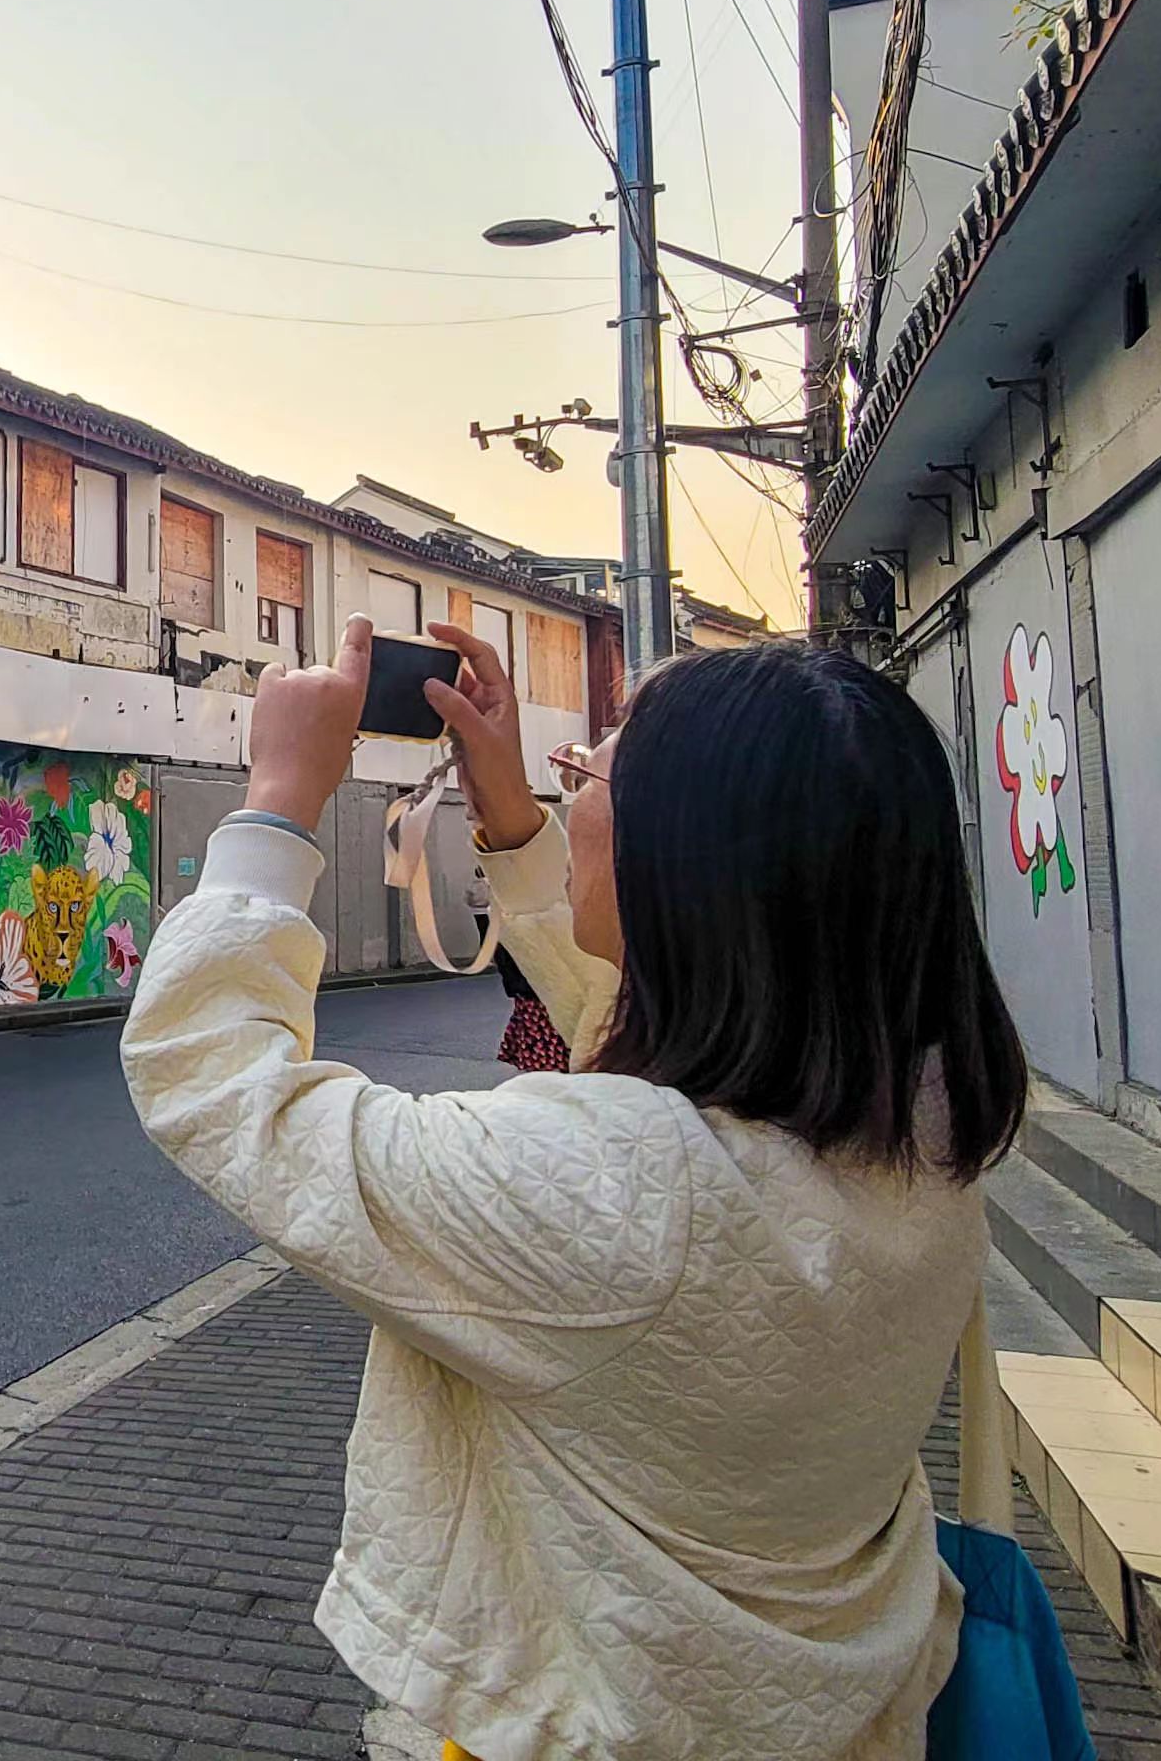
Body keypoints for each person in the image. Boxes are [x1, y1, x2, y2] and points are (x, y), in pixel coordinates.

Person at [121, 616, 1029, 1761]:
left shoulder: (617, 1189)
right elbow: (634, 1013)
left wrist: (275, 803)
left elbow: (217, 1080)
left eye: (596, 766)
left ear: (689, 860)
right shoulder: (918, 1131)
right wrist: (508, 814)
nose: (573, 777)